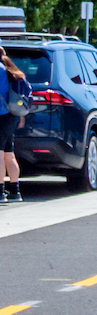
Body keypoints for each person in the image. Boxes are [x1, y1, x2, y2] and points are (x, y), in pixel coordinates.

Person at [0, 48, 25, 202]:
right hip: (10, 116)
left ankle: (1, 192)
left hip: (0, 115)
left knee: (0, 155)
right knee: (9, 155)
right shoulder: (9, 69)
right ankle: (15, 191)